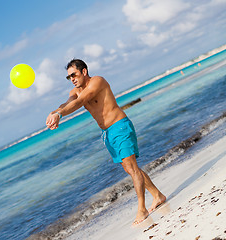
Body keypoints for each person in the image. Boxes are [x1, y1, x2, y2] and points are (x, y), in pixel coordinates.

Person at [46, 59, 166, 225]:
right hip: (107, 133)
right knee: (130, 169)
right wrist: (55, 112)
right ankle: (157, 195)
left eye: (74, 75)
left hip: (119, 126)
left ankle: (141, 209)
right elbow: (69, 102)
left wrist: (60, 115)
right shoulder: (75, 91)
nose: (72, 79)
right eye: (69, 77)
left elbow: (80, 102)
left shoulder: (97, 81)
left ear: (84, 71)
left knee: (132, 167)